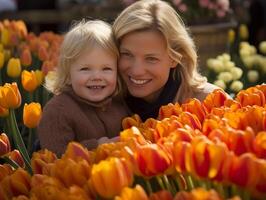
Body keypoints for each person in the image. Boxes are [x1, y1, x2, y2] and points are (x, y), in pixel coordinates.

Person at [112, 0, 220, 121]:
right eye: (126, 54)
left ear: (176, 57)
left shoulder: (211, 102)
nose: (137, 71)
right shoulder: (102, 107)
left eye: (151, 59)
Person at [37, 19, 130, 156]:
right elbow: (54, 156)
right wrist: (96, 147)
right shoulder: (57, 112)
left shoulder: (120, 104)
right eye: (85, 69)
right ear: (68, 74)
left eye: (106, 68)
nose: (96, 76)